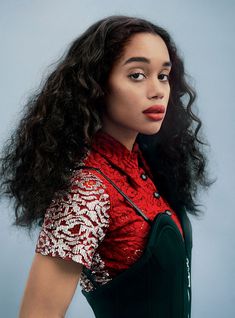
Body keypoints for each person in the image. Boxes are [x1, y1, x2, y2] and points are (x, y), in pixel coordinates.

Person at [0, 15, 212, 318]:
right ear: (98, 85)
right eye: (137, 75)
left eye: (163, 75)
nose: (158, 90)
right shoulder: (86, 191)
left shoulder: (146, 163)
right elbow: (38, 313)